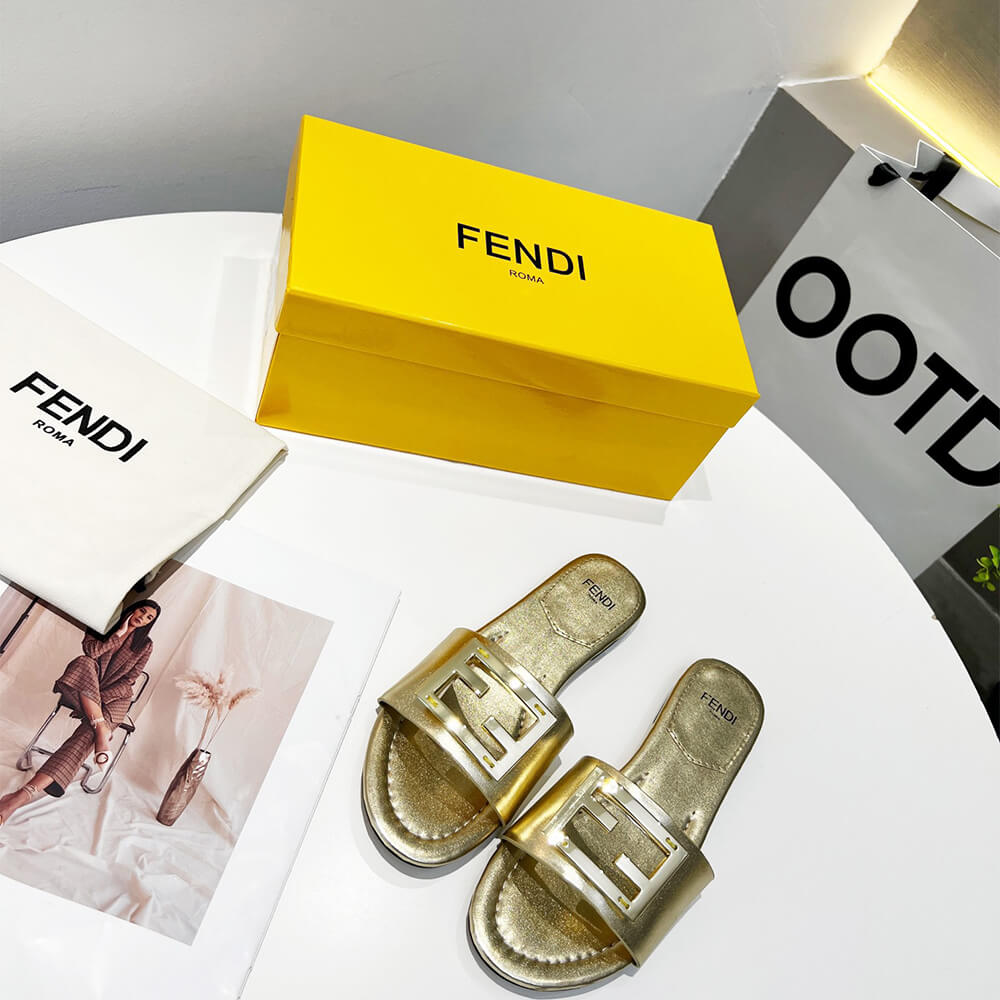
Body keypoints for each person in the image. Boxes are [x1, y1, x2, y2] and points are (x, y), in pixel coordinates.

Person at [0, 600, 160, 825]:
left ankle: (18, 797)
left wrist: (97, 699)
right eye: (142, 611)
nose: (142, 618)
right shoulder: (103, 625)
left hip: (114, 699)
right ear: (133, 609)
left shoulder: (145, 645)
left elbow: (129, 681)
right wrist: (118, 633)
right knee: (83, 662)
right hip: (82, 685)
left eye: (149, 618)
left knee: (87, 734)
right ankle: (102, 733)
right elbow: (91, 652)